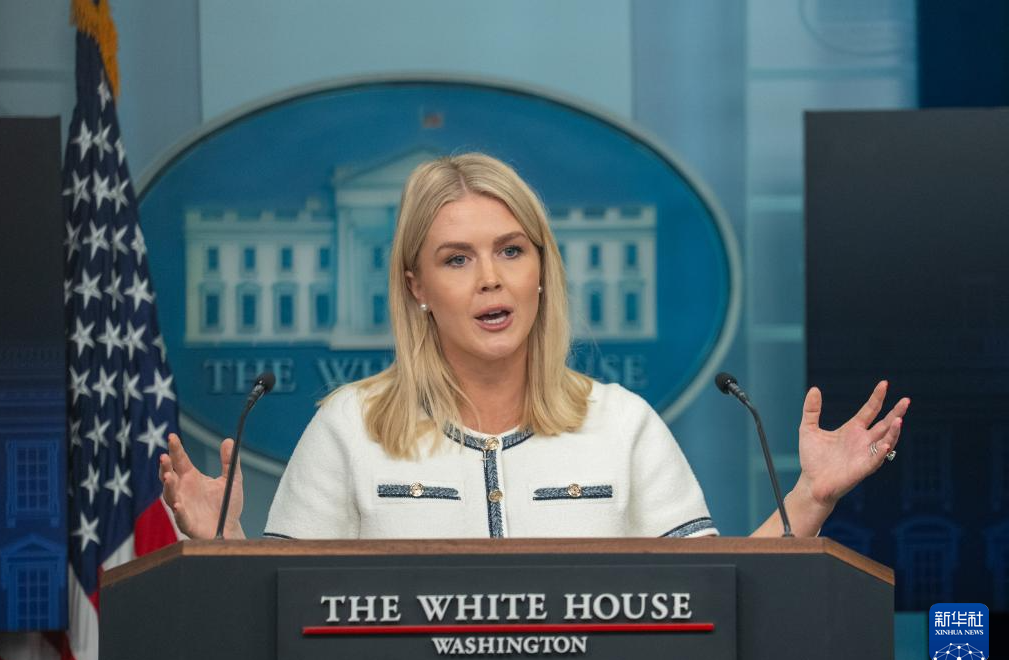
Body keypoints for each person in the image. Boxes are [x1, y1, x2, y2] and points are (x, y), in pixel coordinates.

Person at [159, 153, 909, 541]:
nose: (491, 278)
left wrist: (812, 494)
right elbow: (284, 613)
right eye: (457, 259)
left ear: (542, 271)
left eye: (511, 250)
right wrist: (225, 546)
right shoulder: (347, 430)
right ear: (417, 286)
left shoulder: (623, 424)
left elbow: (717, 592)